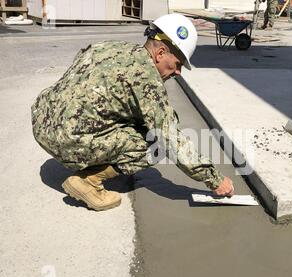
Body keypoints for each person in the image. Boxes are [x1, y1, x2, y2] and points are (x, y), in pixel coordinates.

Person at [31, 13, 234, 211]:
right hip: (66, 140)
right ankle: (88, 182)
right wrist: (214, 179)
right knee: (153, 143)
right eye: (178, 63)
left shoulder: (112, 47)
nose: (179, 71)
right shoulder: (147, 79)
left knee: (142, 121)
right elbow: (171, 139)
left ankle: (85, 154)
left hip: (42, 121)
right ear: (160, 53)